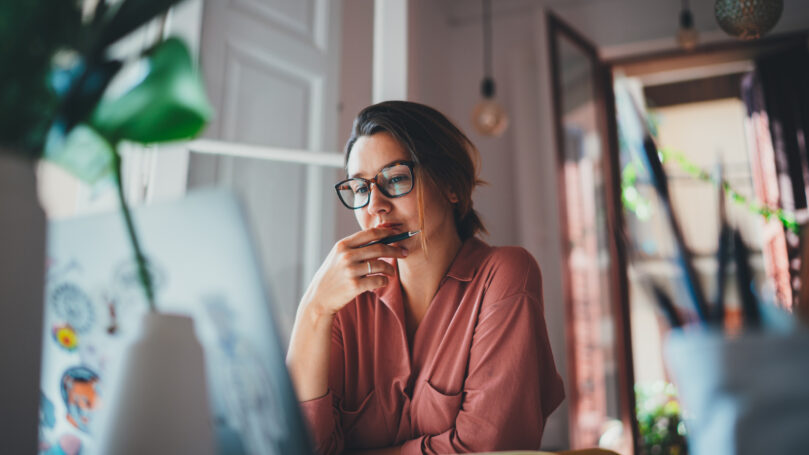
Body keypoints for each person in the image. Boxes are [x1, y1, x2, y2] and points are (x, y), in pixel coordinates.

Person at [286, 101, 564, 455]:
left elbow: (486, 449)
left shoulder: (505, 276)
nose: (375, 206)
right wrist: (313, 309)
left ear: (450, 185)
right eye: (360, 189)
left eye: (396, 179)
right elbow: (298, 447)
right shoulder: (343, 302)